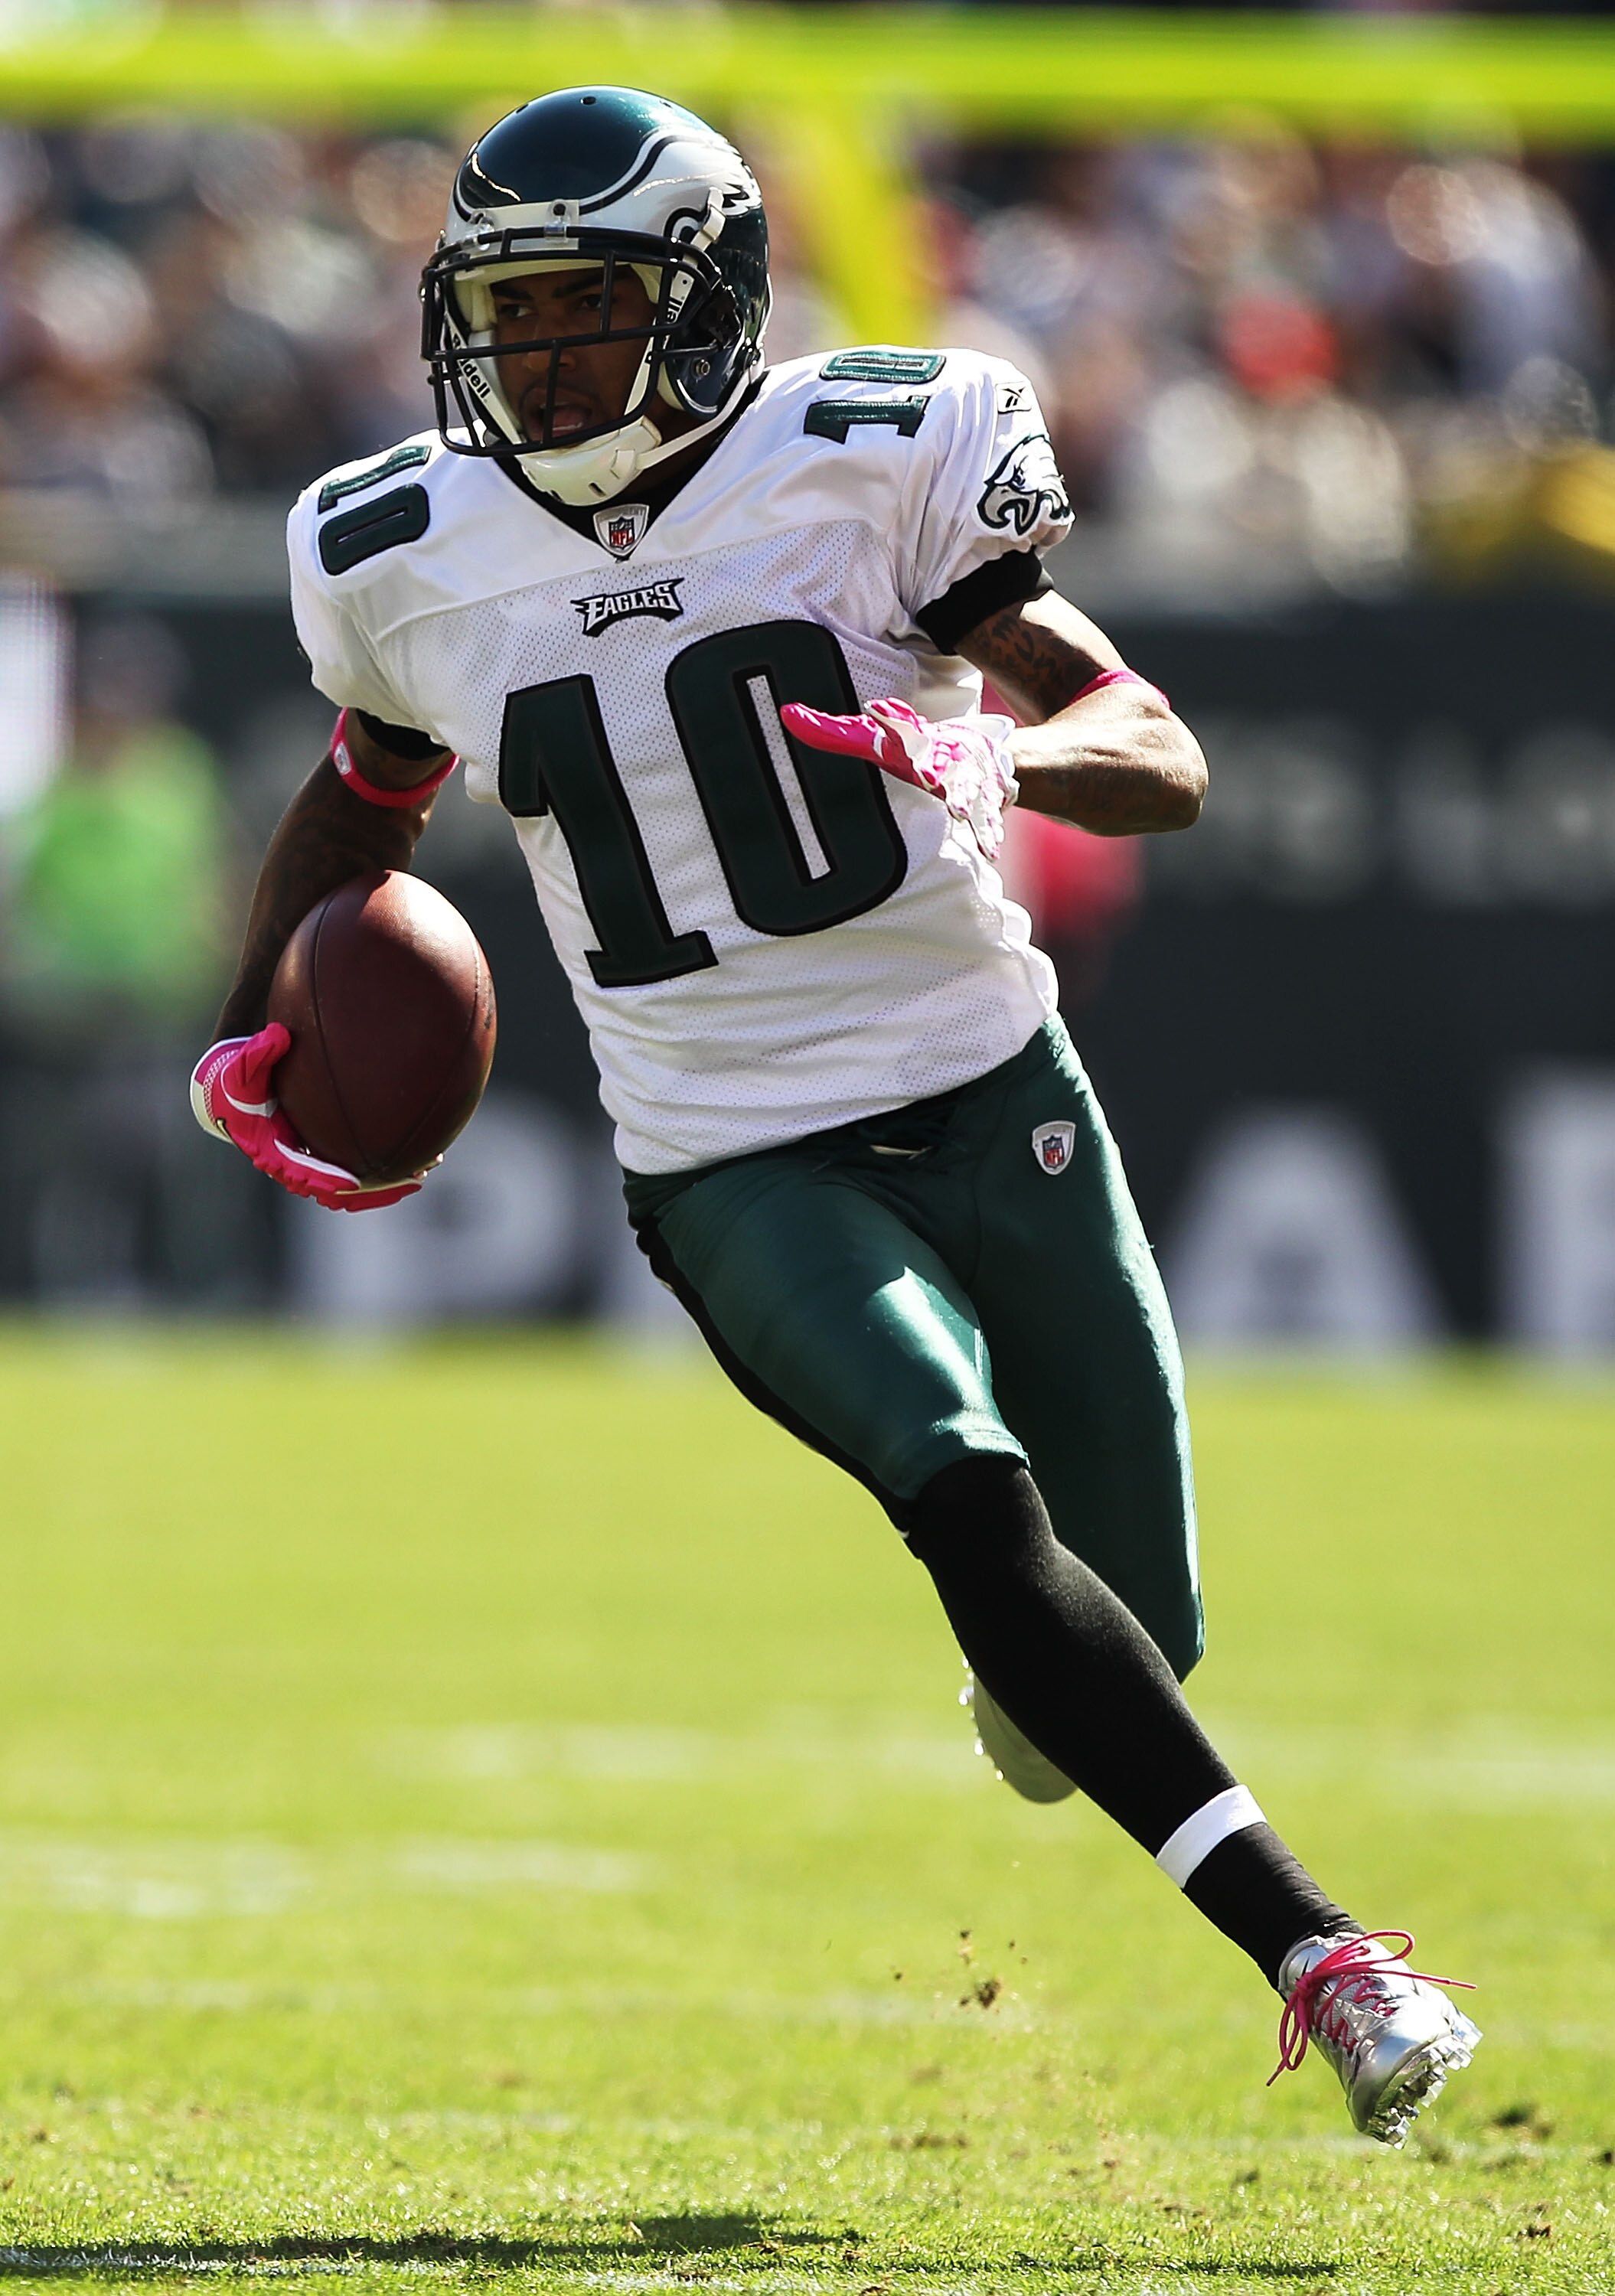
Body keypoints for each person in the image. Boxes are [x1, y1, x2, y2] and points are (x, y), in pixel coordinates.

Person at [190, 88, 1480, 2143]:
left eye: (585, 308)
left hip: (992, 1088)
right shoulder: (403, 548)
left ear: (708, 303)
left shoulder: (874, 455)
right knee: (960, 1482)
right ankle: (1327, 1957)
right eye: (505, 316)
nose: (537, 361)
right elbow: (363, 800)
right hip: (730, 1154)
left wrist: (1008, 766)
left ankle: (1047, 1666)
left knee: (1133, 1628)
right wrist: (244, 1022)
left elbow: (1152, 746)